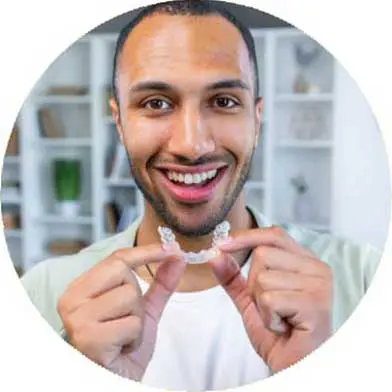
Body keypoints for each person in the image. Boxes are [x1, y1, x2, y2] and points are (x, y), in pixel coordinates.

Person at [21, 1, 381, 390]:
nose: (192, 145)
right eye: (156, 104)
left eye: (224, 101)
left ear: (256, 121)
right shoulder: (39, 296)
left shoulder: (365, 279)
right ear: (120, 123)